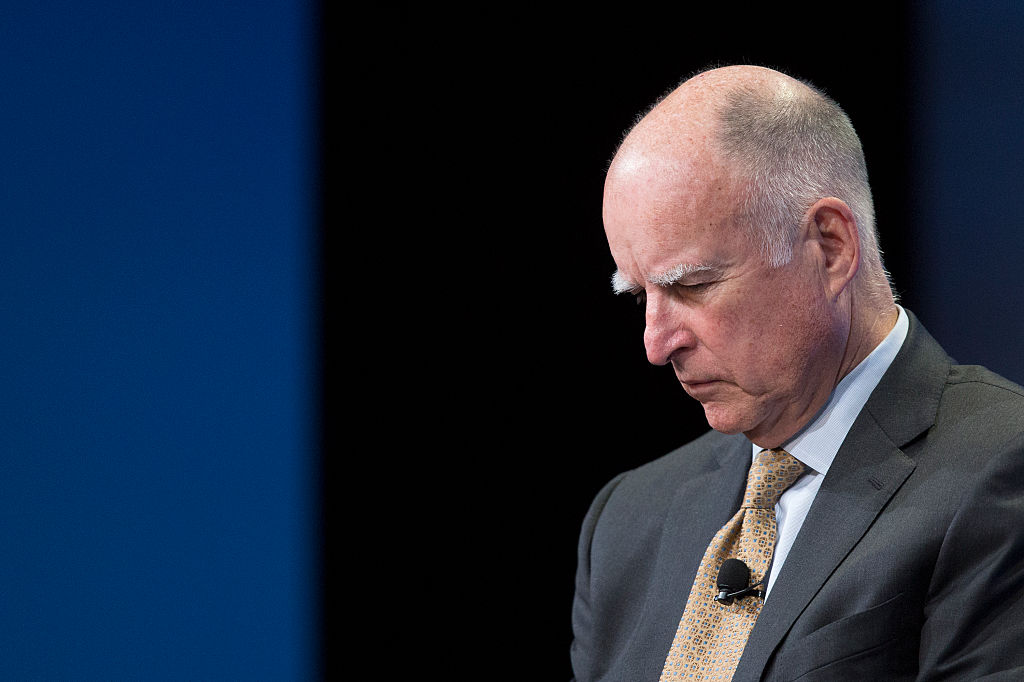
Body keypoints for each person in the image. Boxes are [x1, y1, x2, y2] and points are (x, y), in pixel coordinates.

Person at [570, 64, 1024, 681]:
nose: (656, 344)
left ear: (831, 247)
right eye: (638, 295)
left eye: (693, 285)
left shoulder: (1000, 470)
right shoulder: (625, 522)